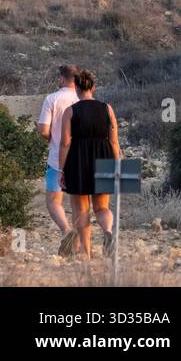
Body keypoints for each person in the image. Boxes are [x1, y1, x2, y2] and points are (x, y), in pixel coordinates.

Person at [58, 70, 120, 259]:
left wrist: (62, 170)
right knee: (102, 207)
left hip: (78, 159)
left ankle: (86, 252)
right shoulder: (107, 108)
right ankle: (108, 231)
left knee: (81, 209)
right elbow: (114, 141)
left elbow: (65, 143)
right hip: (104, 156)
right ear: (93, 88)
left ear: (76, 88)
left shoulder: (70, 111)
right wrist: (117, 164)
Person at [37, 64, 81, 256]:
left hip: (57, 158)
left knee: (54, 201)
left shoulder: (52, 99)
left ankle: (66, 230)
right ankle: (82, 245)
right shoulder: (84, 98)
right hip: (81, 158)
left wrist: (50, 138)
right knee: (79, 202)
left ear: (61, 79)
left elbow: (44, 130)